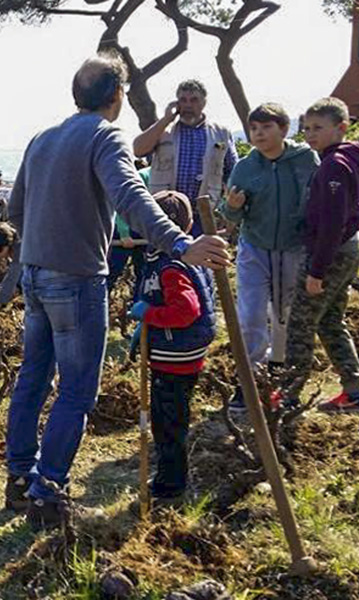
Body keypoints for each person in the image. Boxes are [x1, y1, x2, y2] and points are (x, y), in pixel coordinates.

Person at [2, 52, 230, 527]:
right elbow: (131, 195)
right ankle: (47, 493)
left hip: (35, 275)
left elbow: (17, 212)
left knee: (33, 377)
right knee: (77, 391)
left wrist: (41, 247)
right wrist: (180, 243)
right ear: (119, 96)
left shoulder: (41, 138)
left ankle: (20, 479)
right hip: (77, 280)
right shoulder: (106, 135)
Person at [275, 98, 359, 413]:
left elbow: (332, 223)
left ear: (341, 128)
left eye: (318, 128)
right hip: (350, 247)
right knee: (331, 321)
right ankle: (355, 392)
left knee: (301, 323)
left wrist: (316, 272)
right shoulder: (353, 158)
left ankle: (289, 396)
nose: (310, 134)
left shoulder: (335, 164)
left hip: (330, 251)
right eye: (306, 128)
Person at [220, 103, 320, 412]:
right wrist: (233, 206)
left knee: (286, 315)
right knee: (250, 315)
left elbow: (319, 200)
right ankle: (248, 382)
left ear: (284, 129)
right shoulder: (246, 167)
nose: (259, 134)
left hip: (294, 247)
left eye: (266, 127)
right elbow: (229, 213)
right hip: (255, 247)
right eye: (254, 128)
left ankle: (283, 380)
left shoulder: (305, 160)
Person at [128, 191, 217, 501]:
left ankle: (171, 485)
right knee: (170, 418)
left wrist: (149, 315)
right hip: (176, 353)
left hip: (175, 357)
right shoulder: (177, 257)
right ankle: (171, 475)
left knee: (168, 424)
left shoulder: (171, 266)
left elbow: (186, 311)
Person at [133, 80, 238, 236]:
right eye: (183, 100)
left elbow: (233, 173)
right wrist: (165, 119)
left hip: (204, 215)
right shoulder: (163, 130)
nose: (188, 105)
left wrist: (227, 210)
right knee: (165, 259)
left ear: (204, 102)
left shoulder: (221, 133)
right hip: (166, 212)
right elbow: (138, 150)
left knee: (199, 259)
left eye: (194, 100)